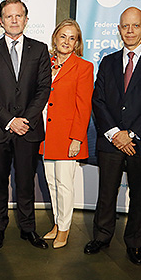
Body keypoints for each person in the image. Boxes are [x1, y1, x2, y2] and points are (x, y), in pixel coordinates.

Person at [84, 7, 141, 265]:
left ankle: (134, 243)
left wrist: (130, 135)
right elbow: (98, 100)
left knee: (139, 194)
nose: (130, 31)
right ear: (119, 29)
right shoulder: (108, 61)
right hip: (110, 141)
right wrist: (114, 134)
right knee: (106, 193)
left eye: (135, 26)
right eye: (125, 26)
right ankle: (102, 236)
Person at [0, 0, 52, 250]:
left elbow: (44, 89)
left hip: (28, 132)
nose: (14, 20)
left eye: (18, 15)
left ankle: (28, 229)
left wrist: (26, 121)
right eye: (8, 16)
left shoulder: (40, 49)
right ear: (0, 21)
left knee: (25, 182)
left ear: (26, 19)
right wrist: (10, 121)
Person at [40, 19, 94, 249]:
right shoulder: (46, 64)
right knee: (52, 183)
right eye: (63, 36)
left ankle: (65, 228)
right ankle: (57, 223)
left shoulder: (84, 67)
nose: (67, 42)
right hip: (46, 134)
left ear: (77, 43)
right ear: (55, 37)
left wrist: (77, 138)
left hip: (67, 136)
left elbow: (84, 106)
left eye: (72, 38)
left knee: (65, 185)